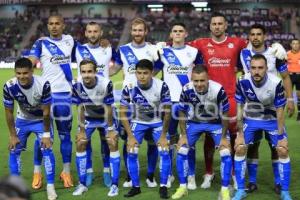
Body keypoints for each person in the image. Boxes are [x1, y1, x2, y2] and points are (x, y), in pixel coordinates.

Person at [188, 12, 247, 189]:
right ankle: (209, 172)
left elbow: (254, 46)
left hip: (230, 97)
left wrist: (272, 46)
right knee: (209, 136)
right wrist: (160, 45)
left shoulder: (237, 42)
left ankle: (235, 173)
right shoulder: (201, 43)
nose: (217, 26)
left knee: (234, 135)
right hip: (208, 98)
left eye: (220, 23)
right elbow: (179, 45)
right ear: (210, 26)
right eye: (214, 24)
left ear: (225, 25)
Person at [239, 24, 294, 193]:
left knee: (275, 147)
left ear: (264, 36)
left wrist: (290, 99)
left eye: (259, 34)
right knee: (252, 146)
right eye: (252, 34)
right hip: (252, 110)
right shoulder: (242, 53)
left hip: (272, 109)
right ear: (249, 36)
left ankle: (278, 182)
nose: (255, 37)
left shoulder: (275, 53)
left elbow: (285, 77)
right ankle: (252, 182)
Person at [110, 17, 162, 188]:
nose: (137, 33)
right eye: (135, 30)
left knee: (152, 141)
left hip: (151, 103)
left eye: (141, 30)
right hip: (129, 102)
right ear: (131, 31)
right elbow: (114, 69)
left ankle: (150, 175)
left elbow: (161, 68)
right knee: (128, 140)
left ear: (146, 32)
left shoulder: (153, 49)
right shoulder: (123, 50)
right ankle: (131, 177)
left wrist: (148, 84)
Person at [233, 54, 292, 200]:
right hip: (251, 118)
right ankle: (241, 190)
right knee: (240, 147)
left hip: (271, 119)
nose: (256, 71)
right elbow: (239, 107)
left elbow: (279, 110)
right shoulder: (242, 81)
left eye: (260, 68)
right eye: (253, 68)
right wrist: (239, 133)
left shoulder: (276, 82)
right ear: (249, 69)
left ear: (266, 68)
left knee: (282, 150)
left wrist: (281, 136)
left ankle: (284, 191)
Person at [171, 65, 232, 200]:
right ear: (192, 79)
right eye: (196, 81)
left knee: (225, 151)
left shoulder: (218, 89)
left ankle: (225, 190)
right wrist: (183, 135)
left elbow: (225, 113)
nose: (199, 84)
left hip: (215, 124)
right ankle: (182, 187)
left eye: (202, 81)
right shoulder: (187, 89)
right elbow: (181, 112)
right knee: (181, 150)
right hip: (194, 123)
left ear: (208, 79)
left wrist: (223, 137)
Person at [29, 14, 75, 188]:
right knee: (42, 136)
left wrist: (103, 43)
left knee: (65, 137)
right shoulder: (41, 43)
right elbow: (32, 59)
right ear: (47, 26)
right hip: (46, 96)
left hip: (65, 96)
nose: (54, 26)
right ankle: (37, 172)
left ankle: (66, 172)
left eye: (57, 24)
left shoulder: (70, 40)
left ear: (63, 25)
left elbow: (86, 48)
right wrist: (26, 64)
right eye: (51, 24)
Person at [3, 57, 57, 200]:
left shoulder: (43, 84)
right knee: (14, 149)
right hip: (22, 120)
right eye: (18, 73)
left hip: (41, 120)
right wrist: (13, 135)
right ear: (15, 72)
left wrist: (46, 134)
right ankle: (16, 187)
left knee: (47, 148)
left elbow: (46, 112)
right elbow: (8, 112)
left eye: (25, 73)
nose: (22, 76)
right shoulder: (9, 86)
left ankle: (50, 187)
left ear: (32, 71)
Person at [158, 22, 202, 189]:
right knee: (169, 140)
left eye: (180, 31)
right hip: (168, 103)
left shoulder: (194, 52)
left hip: (187, 102)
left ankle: (190, 175)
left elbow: (201, 72)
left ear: (186, 34)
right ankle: (168, 175)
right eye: (174, 31)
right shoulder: (163, 52)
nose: (177, 33)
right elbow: (152, 71)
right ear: (170, 34)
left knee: (189, 140)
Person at [75, 21, 119, 187]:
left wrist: (109, 75)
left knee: (106, 140)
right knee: (84, 141)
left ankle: (107, 171)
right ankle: (89, 171)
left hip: (105, 103)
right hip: (86, 104)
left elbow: (120, 62)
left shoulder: (108, 48)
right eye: (90, 31)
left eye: (96, 31)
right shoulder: (77, 48)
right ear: (86, 33)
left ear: (101, 33)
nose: (93, 34)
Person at [120, 59, 171, 199]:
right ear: (135, 73)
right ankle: (136, 187)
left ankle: (163, 186)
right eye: (139, 73)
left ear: (152, 73)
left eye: (145, 73)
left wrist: (163, 135)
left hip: (157, 122)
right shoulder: (129, 87)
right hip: (138, 121)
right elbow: (122, 113)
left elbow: (167, 112)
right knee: (131, 150)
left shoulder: (161, 86)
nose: (142, 76)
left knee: (165, 151)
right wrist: (130, 136)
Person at [72, 59, 120, 197]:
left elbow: (109, 108)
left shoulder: (106, 84)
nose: (86, 75)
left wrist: (110, 129)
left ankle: (113, 183)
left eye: (89, 71)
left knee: (112, 142)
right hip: (88, 118)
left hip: (105, 117)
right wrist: (81, 131)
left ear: (95, 72)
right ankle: (82, 183)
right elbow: (79, 107)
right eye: (83, 72)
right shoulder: (76, 84)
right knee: (81, 143)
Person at [287, 38, 300, 121]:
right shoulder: (286, 54)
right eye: (293, 43)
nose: (295, 45)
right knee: (287, 95)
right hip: (290, 76)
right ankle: (287, 110)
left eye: (297, 43)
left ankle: (299, 113)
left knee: (299, 96)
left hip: (299, 76)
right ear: (291, 45)